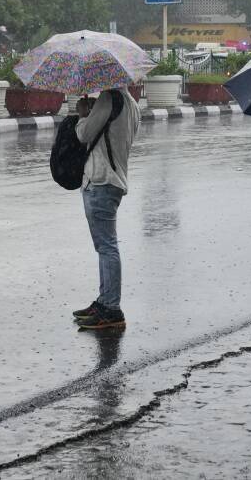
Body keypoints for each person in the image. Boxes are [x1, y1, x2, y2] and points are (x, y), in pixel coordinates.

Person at [70, 88, 140, 330]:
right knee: (105, 246)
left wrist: (83, 115)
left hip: (101, 180)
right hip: (114, 180)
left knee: (107, 247)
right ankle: (104, 302)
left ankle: (111, 308)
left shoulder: (109, 98)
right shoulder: (132, 103)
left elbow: (84, 134)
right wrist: (95, 113)